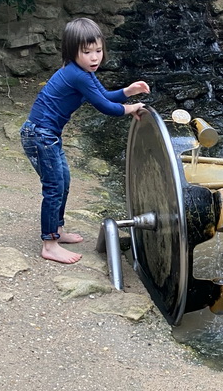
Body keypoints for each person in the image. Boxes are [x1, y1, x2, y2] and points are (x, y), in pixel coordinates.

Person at [20, 18, 150, 265]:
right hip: (40, 135)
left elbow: (103, 96)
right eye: (87, 52)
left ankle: (57, 231)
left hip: (47, 135)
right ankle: (49, 244)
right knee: (54, 187)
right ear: (72, 51)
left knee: (64, 182)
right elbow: (105, 107)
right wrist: (130, 107)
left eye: (98, 51)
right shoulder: (76, 75)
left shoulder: (83, 74)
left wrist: (128, 92)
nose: (94, 57)